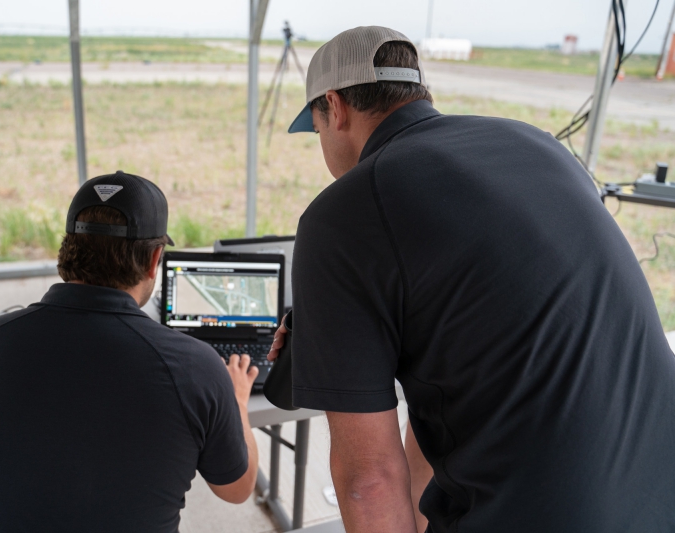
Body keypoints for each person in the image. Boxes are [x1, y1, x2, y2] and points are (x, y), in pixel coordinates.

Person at [269, 26, 675, 533]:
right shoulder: (537, 145)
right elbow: (456, 377)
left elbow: (367, 482)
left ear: (335, 107)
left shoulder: (344, 213)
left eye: (316, 130)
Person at [0, 171, 259, 533]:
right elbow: (238, 489)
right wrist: (237, 402)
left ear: (66, 248)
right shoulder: (195, 367)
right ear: (154, 260)